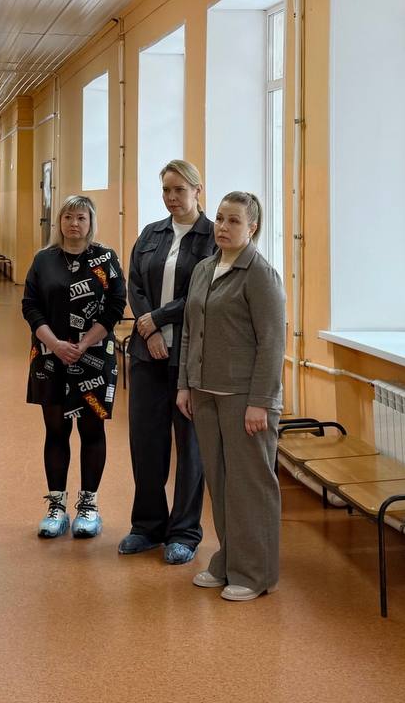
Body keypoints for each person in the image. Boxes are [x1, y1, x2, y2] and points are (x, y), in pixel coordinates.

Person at [176, 191, 286, 602]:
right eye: (220, 218)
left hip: (245, 397)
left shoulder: (260, 274)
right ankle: (228, 560)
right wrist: (185, 384)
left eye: (234, 221)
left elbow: (272, 343)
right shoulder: (205, 268)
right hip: (205, 392)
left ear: (252, 227)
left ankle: (255, 573)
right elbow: (189, 331)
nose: (222, 227)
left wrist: (261, 401)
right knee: (220, 482)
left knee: (250, 486)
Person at [119, 160, 216, 565]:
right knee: (146, 443)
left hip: (189, 360)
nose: (172, 198)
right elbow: (135, 284)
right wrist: (149, 330)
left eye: (179, 190)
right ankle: (147, 526)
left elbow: (202, 292)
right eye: (166, 190)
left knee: (190, 447)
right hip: (147, 355)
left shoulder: (212, 237)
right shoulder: (151, 234)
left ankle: (185, 532)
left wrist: (158, 319)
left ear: (197, 191)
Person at [22, 195, 126, 539]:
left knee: (92, 432)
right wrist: (55, 344)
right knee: (56, 432)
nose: (74, 224)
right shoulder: (44, 259)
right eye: (68, 217)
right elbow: (30, 305)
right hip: (50, 359)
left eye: (81, 217)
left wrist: (83, 344)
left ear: (90, 222)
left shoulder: (105, 258)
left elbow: (116, 305)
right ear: (59, 222)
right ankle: (56, 507)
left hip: (94, 359)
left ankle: (88, 506)